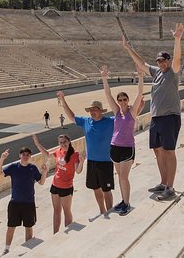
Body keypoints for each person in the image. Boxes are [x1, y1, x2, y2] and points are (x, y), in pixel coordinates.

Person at [122, 22, 184, 201]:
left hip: (170, 117)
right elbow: (141, 64)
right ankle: (164, 183)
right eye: (159, 60)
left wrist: (178, 40)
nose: (161, 63)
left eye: (164, 60)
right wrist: (127, 48)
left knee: (169, 151)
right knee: (157, 150)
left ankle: (170, 188)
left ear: (169, 61)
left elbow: (178, 59)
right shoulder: (156, 72)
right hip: (156, 117)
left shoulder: (173, 71)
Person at [57, 90, 115, 220]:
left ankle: (109, 211)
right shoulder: (86, 121)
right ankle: (102, 211)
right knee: (95, 188)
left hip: (106, 161)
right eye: (91, 110)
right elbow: (71, 116)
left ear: (101, 111)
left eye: (95, 109)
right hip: (92, 162)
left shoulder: (110, 121)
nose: (92, 112)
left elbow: (126, 119)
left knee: (106, 190)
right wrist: (63, 101)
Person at [100, 65, 144, 216]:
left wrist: (140, 76)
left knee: (124, 177)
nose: (123, 101)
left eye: (125, 99)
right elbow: (107, 94)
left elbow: (140, 93)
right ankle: (123, 201)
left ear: (127, 100)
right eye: (120, 100)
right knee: (120, 177)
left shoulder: (132, 112)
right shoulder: (117, 111)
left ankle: (127, 203)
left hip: (127, 148)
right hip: (114, 148)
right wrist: (104, 77)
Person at [0, 147, 47, 255]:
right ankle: (7, 249)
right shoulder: (13, 167)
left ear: (30, 156)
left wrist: (44, 172)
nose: (25, 156)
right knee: (11, 226)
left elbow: (41, 182)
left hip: (29, 203)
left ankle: (28, 248)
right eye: (23, 154)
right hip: (15, 203)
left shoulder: (33, 168)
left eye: (27, 154)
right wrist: (2, 159)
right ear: (20, 155)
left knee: (28, 226)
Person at [32, 133, 85, 234]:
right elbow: (47, 154)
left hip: (66, 187)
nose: (63, 144)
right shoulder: (58, 151)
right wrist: (37, 143)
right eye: (61, 142)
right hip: (55, 185)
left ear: (69, 141)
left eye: (64, 142)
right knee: (56, 212)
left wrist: (81, 162)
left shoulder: (75, 154)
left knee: (66, 211)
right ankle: (55, 234)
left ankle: (68, 232)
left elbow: (78, 171)